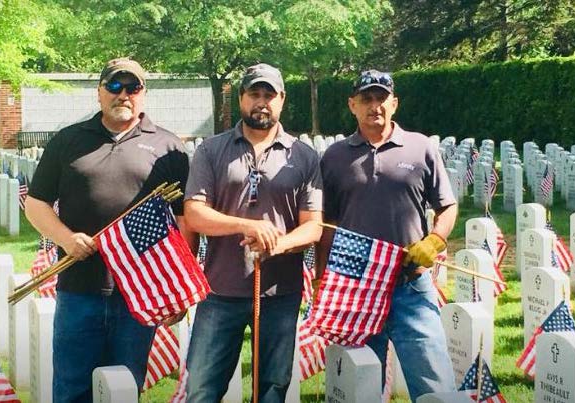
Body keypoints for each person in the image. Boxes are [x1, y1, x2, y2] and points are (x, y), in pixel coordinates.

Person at [25, 57, 192, 402]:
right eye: (114, 86)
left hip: (140, 294)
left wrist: (177, 291)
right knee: (72, 388)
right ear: (99, 93)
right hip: (79, 290)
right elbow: (36, 203)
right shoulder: (68, 141)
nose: (123, 95)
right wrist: (66, 239)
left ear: (143, 94)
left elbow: (184, 221)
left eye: (132, 87)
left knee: (126, 388)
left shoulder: (169, 147)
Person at [183, 63, 323, 402]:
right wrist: (246, 225)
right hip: (219, 290)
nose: (261, 101)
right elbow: (195, 214)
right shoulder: (211, 150)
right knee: (202, 388)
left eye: (269, 95)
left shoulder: (303, 156)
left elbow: (313, 225)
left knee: (272, 389)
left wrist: (278, 243)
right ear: (242, 98)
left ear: (282, 100)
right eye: (254, 94)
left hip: (280, 293)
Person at [319, 70, 458, 402]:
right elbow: (327, 226)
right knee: (359, 384)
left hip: (410, 285)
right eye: (366, 99)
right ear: (352, 105)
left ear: (394, 103)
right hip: (356, 289)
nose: (374, 106)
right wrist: (321, 279)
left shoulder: (421, 147)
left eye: (381, 98)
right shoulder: (335, 157)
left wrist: (435, 240)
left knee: (435, 383)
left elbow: (448, 206)